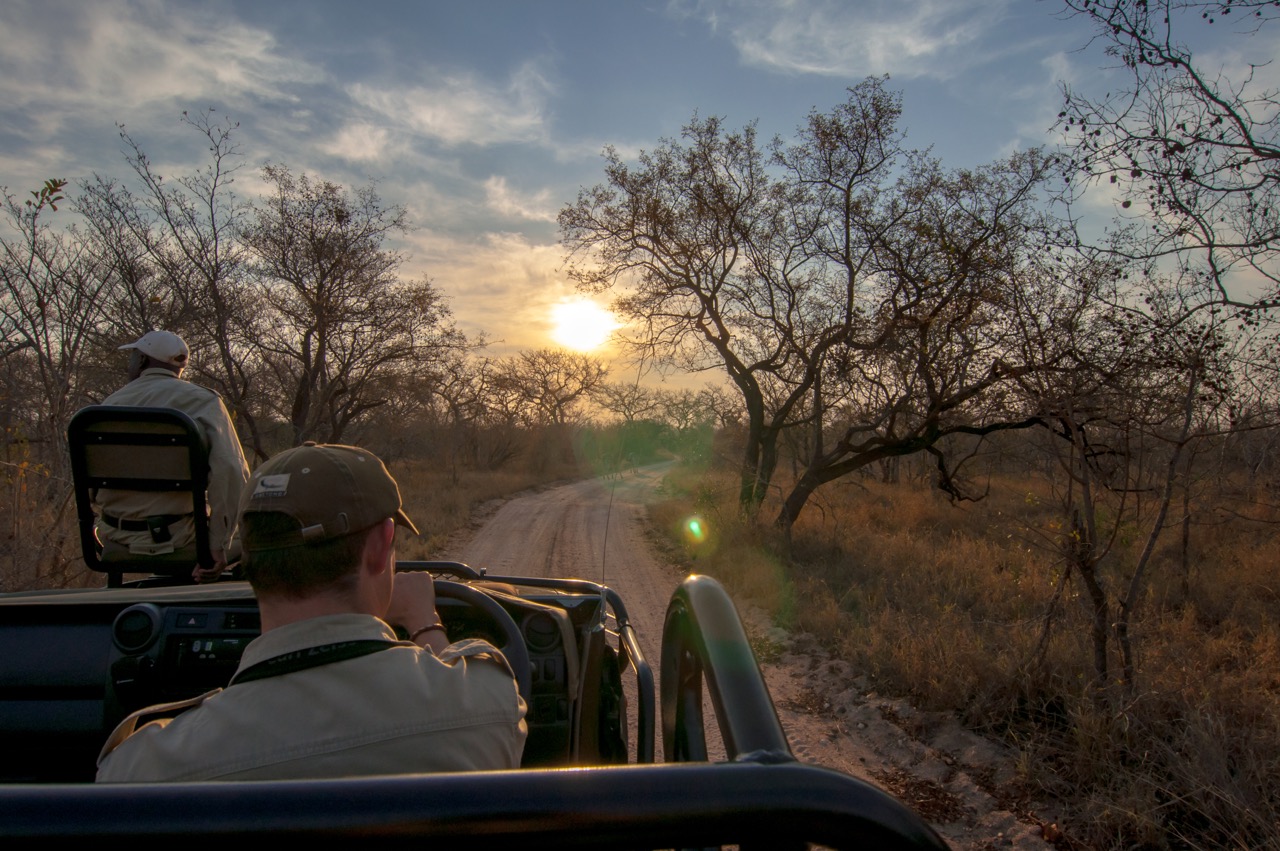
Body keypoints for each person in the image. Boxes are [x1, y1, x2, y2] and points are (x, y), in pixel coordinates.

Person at [95, 442, 527, 782]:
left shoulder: (139, 766)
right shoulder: (485, 704)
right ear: (380, 547)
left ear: (249, 562)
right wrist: (425, 624)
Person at [95, 330, 250, 582]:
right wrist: (217, 545)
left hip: (114, 536)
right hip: (181, 538)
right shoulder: (204, 401)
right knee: (257, 535)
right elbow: (231, 471)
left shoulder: (107, 406)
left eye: (133, 357)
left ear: (143, 361)